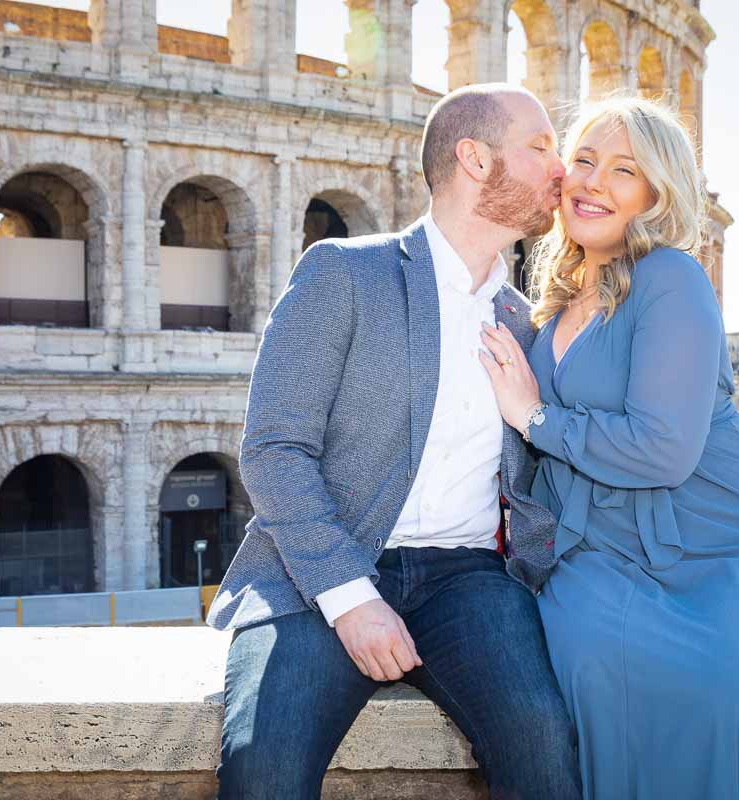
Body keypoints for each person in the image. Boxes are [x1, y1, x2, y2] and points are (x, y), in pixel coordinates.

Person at [205, 84, 582, 800]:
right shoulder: (344, 272)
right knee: (264, 768)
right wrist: (350, 599)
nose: (560, 168)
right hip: (323, 569)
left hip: (468, 579)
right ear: (474, 159)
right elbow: (274, 448)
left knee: (545, 741)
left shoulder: (523, 318)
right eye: (540, 148)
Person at [478, 96, 739, 799]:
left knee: (723, 680)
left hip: (722, 547)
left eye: (624, 170)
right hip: (602, 552)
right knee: (588, 662)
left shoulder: (671, 277)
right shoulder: (552, 293)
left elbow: (664, 450)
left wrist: (535, 417)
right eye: (583, 161)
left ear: (655, 193)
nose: (593, 182)